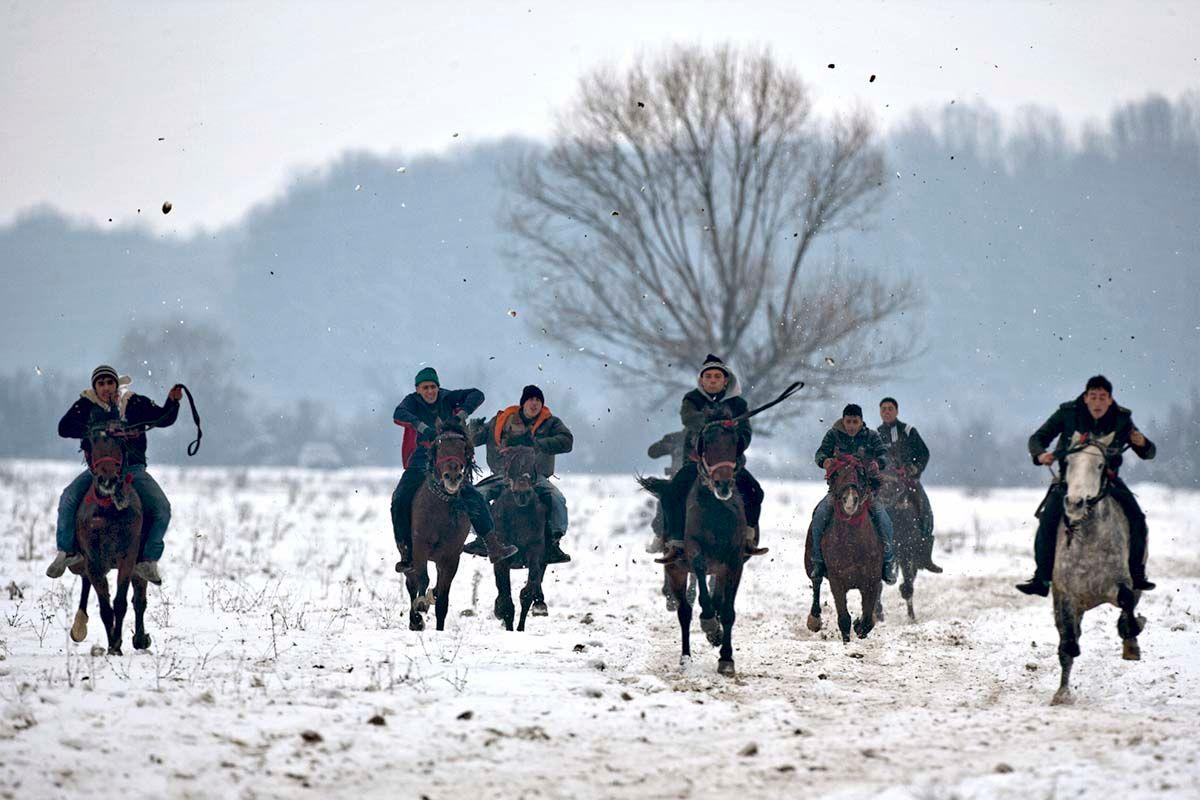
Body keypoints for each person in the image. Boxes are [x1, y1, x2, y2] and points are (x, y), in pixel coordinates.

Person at [1015, 375, 1156, 596]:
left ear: (1110, 400)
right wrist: (1040, 454)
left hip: (1107, 481)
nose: (1098, 402)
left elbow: (1148, 453)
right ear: (1086, 397)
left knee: (1137, 519)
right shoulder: (1067, 413)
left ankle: (1136, 575)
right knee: (1047, 522)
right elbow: (1037, 438)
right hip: (1069, 481)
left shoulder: (1122, 419)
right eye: (1093, 397)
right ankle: (1042, 579)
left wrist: (1143, 443)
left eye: (1103, 397)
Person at [46, 365, 180, 585]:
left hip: (132, 470)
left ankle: (148, 559)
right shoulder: (87, 405)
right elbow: (64, 428)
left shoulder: (134, 402)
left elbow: (163, 419)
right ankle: (67, 551)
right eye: (101, 384)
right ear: (95, 387)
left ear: (117, 384)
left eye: (110, 383)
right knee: (68, 498)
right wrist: (96, 429)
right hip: (98, 471)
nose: (106, 388)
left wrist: (173, 402)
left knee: (162, 508)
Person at [391, 367, 515, 573]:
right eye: (425, 388)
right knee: (400, 498)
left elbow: (477, 395)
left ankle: (492, 546)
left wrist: (462, 414)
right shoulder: (411, 402)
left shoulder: (447, 398)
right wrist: (422, 427)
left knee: (473, 495)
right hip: (421, 458)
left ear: (438, 387)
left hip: (449, 459)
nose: (430, 392)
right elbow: (398, 414)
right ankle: (406, 552)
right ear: (417, 389)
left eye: (433, 387)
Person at [656, 354, 766, 563]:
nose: (713, 380)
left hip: (730, 466)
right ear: (701, 380)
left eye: (717, 376)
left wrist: (734, 437)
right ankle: (676, 541)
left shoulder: (738, 404)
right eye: (708, 376)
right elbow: (690, 419)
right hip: (697, 464)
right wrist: (714, 424)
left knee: (755, 492)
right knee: (671, 495)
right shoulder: (691, 400)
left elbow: (746, 433)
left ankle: (748, 537)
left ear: (726, 380)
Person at [465, 384, 574, 564]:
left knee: (557, 499)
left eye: (538, 400)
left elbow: (567, 441)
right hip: (503, 475)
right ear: (523, 403)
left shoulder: (551, 423)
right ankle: (483, 538)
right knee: (477, 496)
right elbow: (475, 440)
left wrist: (540, 444)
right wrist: (469, 430)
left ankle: (554, 541)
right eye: (531, 399)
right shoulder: (500, 421)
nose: (534, 403)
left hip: (534, 477)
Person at [808, 404, 897, 585]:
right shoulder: (833, 435)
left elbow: (884, 455)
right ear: (843, 420)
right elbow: (820, 453)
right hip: (837, 492)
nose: (851, 426)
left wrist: (877, 463)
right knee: (819, 516)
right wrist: (824, 461)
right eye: (848, 421)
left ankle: (887, 562)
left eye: (855, 422)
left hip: (865, 493)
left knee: (883, 519)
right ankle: (818, 560)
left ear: (861, 421)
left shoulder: (871, 436)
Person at [877, 397, 942, 573]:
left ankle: (925, 556)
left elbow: (924, 453)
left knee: (924, 509)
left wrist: (913, 468)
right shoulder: (875, 435)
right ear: (880, 412)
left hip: (908, 480)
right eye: (883, 409)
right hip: (884, 483)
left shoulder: (908, 431)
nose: (887, 411)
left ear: (897, 411)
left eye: (890, 408)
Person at [645, 429, 686, 553]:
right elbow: (652, 452)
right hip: (677, 482)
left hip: (703, 481)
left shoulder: (710, 435)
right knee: (663, 503)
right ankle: (660, 535)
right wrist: (666, 445)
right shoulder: (677, 437)